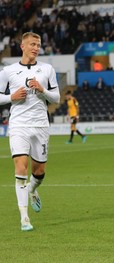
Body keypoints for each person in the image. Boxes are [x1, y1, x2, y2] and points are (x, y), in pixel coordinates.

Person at [0, 32, 60, 231]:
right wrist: (11, 97)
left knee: (39, 171)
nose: (36, 48)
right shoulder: (8, 71)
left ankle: (33, 189)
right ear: (22, 46)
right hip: (18, 125)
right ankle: (24, 218)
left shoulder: (47, 69)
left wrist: (42, 90)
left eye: (39, 44)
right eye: (33, 44)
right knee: (21, 168)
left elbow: (57, 98)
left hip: (41, 125)